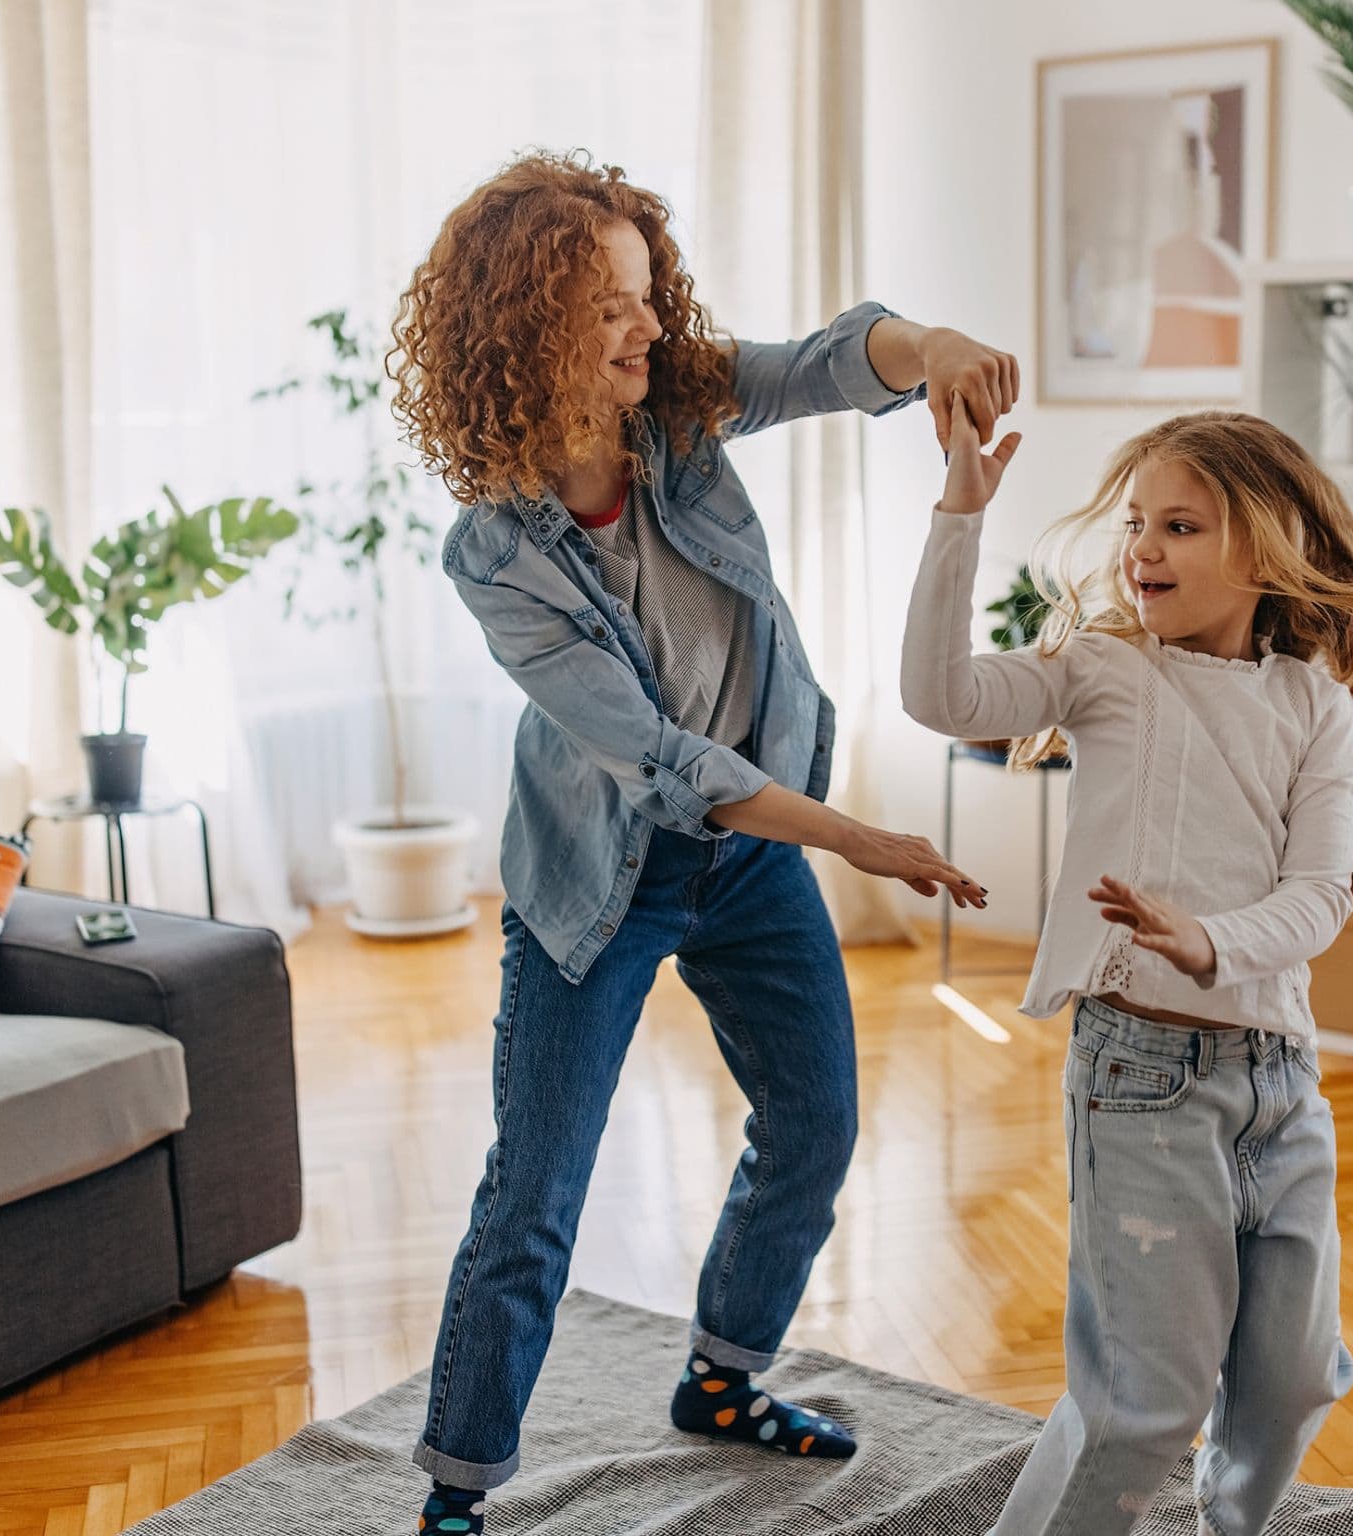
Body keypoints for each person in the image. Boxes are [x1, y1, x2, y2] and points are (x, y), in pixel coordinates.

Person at [386, 149, 1019, 1535]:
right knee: (534, 1197)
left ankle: (723, 1381)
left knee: (816, 1123)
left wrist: (934, 347)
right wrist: (861, 836)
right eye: (610, 305)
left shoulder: (675, 415)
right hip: (600, 884)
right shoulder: (494, 552)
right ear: (525, 325)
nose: (649, 326)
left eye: (645, 294)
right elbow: (666, 768)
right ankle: (455, 1492)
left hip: (751, 859)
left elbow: (825, 362)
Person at [899, 405, 1353, 1536]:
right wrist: (959, 514)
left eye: (1180, 525)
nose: (1141, 547)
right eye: (1137, 522)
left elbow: (1321, 895)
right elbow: (939, 698)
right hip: (1138, 1079)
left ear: (1262, 545)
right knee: (1143, 1402)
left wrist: (1213, 942)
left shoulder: (1312, 704)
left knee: (1292, 1378)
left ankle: (1222, 1524)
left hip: (1280, 1085)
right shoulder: (1107, 671)